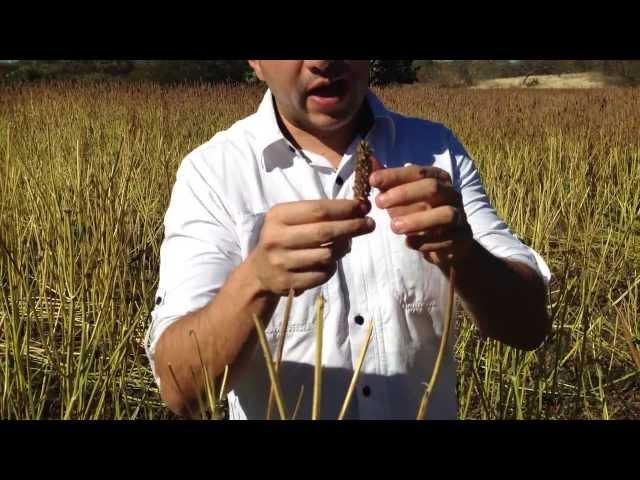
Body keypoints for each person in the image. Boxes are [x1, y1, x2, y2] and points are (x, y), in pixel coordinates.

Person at [144, 60, 552, 420]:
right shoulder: (213, 172)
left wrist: (464, 255)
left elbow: (529, 326)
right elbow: (181, 390)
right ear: (256, 62)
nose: (324, 61)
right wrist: (256, 282)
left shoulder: (436, 151)